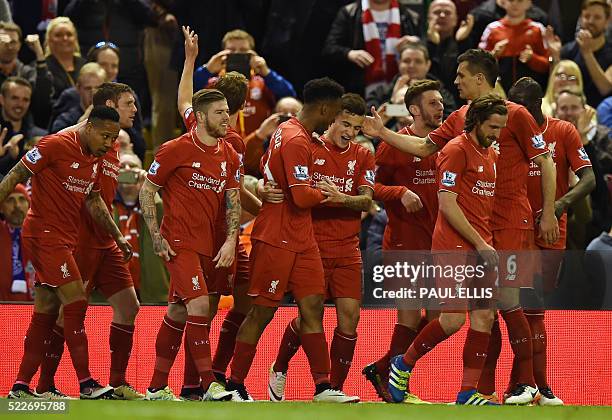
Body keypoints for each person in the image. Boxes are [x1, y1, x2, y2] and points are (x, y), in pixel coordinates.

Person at [362, 49, 559, 405]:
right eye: (494, 130)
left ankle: (497, 389)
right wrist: (383, 133)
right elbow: (424, 149)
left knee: (497, 309)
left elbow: (545, 162)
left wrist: (548, 212)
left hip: (507, 224)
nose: (456, 81)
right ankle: (407, 367)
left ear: (480, 79)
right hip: (466, 235)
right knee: (466, 316)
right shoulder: (459, 131)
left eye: (461, 75)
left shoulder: (509, 120)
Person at [226, 77, 353, 403]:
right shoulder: (294, 138)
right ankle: (234, 384)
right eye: (335, 112)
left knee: (312, 309)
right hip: (277, 236)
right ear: (324, 108)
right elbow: (299, 196)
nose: (335, 120)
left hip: (302, 237)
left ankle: (323, 387)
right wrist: (330, 193)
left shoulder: (290, 132)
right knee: (261, 313)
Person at [2, 106, 131, 399]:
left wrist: (118, 236)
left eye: (114, 138)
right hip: (43, 234)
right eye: (105, 136)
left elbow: (94, 201)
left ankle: (22, 386)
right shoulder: (54, 144)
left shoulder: (93, 158)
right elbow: (15, 174)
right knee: (75, 301)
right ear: (88, 127)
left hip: (64, 238)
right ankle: (86, 382)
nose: (109, 144)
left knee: (46, 312)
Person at [387, 94, 506, 405]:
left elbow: (483, 206)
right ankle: (402, 363)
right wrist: (480, 243)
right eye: (493, 127)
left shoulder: (490, 154)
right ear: (477, 122)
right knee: (453, 320)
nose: (497, 134)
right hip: (454, 245)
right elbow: (448, 204)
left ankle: (467, 393)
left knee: (485, 318)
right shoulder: (454, 150)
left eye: (501, 128)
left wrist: (487, 241)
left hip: (482, 246)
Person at [268, 93, 374, 402]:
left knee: (350, 318)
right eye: (344, 123)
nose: (349, 132)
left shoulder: (364, 155)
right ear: (332, 119)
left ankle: (333, 389)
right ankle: (280, 367)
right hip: (312, 244)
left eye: (355, 127)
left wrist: (342, 199)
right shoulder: (308, 148)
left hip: (348, 249)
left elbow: (367, 199)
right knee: (308, 317)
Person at [139, 86, 242, 402]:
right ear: (200, 117)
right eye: (220, 112)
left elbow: (233, 200)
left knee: (179, 312)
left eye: (227, 111)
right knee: (199, 306)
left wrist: (229, 241)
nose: (227, 117)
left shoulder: (230, 154)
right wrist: (156, 237)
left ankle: (156, 388)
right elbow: (146, 191)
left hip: (210, 245)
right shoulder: (174, 149)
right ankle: (209, 384)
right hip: (178, 241)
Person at [176, 26, 262, 400]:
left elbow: (182, 99)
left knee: (224, 304)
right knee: (207, 308)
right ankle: (200, 382)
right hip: (213, 234)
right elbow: (235, 192)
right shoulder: (231, 139)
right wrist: (265, 208)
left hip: (212, 232)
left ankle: (209, 378)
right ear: (242, 104)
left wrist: (191, 59)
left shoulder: (197, 125)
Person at [508, 77, 595, 406]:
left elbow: (589, 180)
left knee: (535, 311)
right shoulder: (508, 131)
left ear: (536, 105)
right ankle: (534, 386)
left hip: (550, 231)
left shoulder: (563, 132)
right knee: (525, 311)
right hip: (515, 231)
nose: (518, 116)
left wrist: (557, 207)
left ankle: (527, 386)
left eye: (523, 109)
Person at [363, 80, 443, 403]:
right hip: (403, 244)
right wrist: (399, 192)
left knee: (440, 319)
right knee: (409, 319)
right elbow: (369, 187)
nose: (441, 108)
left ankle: (384, 367)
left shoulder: (442, 142)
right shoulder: (395, 144)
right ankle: (396, 382)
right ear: (414, 110)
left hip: (437, 244)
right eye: (434, 103)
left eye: (441, 102)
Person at [194, 29, 296, 137]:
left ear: (252, 55)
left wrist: (267, 73)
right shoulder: (213, 84)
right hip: (220, 147)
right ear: (222, 53)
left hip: (257, 147)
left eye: (243, 51)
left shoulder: (264, 82)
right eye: (231, 50)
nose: (237, 54)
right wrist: (207, 69)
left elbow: (289, 96)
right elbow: (188, 92)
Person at [322, 0, 421, 100]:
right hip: (359, 91)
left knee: (395, 111)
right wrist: (349, 53)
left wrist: (416, 43)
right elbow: (329, 48)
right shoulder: (349, 12)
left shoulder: (409, 15)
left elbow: (426, 55)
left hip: (400, 89)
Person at [113, 152, 169, 303]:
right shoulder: (106, 205)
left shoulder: (157, 205)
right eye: (121, 167)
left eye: (132, 167)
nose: (127, 171)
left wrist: (148, 187)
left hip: (152, 294)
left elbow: (160, 213)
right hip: (113, 294)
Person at [478, 0, 549, 92]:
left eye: (520, 0)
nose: (515, 4)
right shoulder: (492, 29)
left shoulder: (537, 29)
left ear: (528, 3)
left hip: (530, 94)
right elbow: (478, 66)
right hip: (498, 93)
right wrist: (494, 55)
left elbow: (547, 65)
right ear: (503, 2)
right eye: (511, 0)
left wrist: (532, 58)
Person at [372, 42, 457, 117]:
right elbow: (370, 120)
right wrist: (392, 100)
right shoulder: (380, 92)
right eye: (406, 61)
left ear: (428, 65)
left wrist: (397, 110)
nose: (411, 65)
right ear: (399, 63)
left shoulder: (442, 94)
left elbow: (448, 120)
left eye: (418, 61)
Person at [557, 0, 612, 107]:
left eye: (597, 17)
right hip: (571, 111)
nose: (590, 21)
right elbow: (556, 86)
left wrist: (587, 53)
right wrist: (554, 56)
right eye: (586, 16)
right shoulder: (568, 50)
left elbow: (605, 88)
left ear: (607, 21)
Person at [0, 22, 53, 129]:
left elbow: (43, 98)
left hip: (25, 129)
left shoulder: (27, 73)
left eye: (13, 42)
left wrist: (39, 53)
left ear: (19, 45)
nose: (9, 46)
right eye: (3, 42)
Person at [243, 96, 303, 177]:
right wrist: (260, 134)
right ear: (273, 116)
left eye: (294, 114)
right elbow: (241, 163)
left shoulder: (311, 140)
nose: (289, 118)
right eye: (283, 115)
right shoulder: (264, 142)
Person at [0, 76, 47, 176]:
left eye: (25, 100)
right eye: (15, 98)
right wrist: (8, 158)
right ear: (2, 99)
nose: (20, 104)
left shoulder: (41, 137)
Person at [0, 184, 34, 302]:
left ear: (29, 205)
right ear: (1, 207)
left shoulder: (41, 236)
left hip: (36, 312)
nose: (17, 206)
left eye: (21, 199)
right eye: (10, 200)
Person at [50, 62, 106, 132]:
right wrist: (81, 123)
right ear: (78, 88)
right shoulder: (65, 120)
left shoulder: (115, 117)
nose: (93, 93)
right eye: (88, 88)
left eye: (98, 88)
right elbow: (54, 139)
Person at [44, 17, 87, 102]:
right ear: (49, 40)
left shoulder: (85, 65)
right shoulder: (42, 67)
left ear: (75, 38)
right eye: (58, 35)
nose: (65, 38)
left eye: (69, 34)